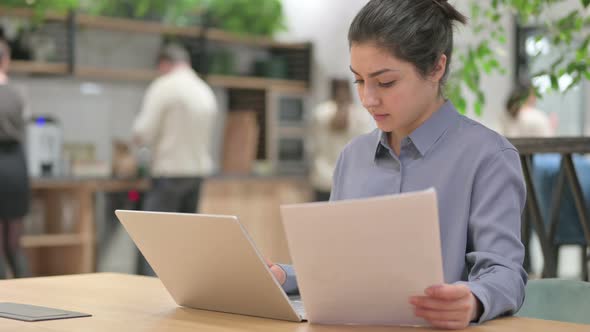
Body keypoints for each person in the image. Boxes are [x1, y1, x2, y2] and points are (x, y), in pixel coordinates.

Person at [267, 0, 527, 329]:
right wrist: (283, 275)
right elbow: (338, 269)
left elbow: (505, 273)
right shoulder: (353, 157)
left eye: (385, 82)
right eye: (359, 81)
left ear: (436, 67)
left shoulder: (488, 157)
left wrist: (474, 299)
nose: (368, 99)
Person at [132, 44, 218, 275]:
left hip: (169, 173)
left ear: (164, 63)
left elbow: (143, 132)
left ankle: (150, 290)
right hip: (197, 174)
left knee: (154, 240)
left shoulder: (164, 86)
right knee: (185, 242)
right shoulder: (204, 89)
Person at [309, 79, 373, 201]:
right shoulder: (361, 115)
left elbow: (314, 146)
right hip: (352, 180)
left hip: (323, 179)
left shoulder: (320, 113)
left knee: (323, 218)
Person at [0, 39, 30, 278]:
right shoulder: (18, 93)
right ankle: (28, 301)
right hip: (16, 166)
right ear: (6, 61)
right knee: (14, 244)